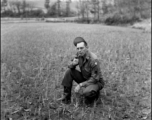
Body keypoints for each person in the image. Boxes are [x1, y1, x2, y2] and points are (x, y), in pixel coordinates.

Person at [61, 37, 105, 105]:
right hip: (86, 78)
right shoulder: (78, 55)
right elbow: (69, 65)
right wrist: (73, 64)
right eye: (78, 48)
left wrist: (80, 85)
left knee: (87, 92)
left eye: (81, 48)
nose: (79, 50)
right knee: (69, 72)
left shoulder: (93, 59)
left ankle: (95, 95)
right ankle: (66, 99)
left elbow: (95, 78)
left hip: (96, 82)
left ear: (86, 47)